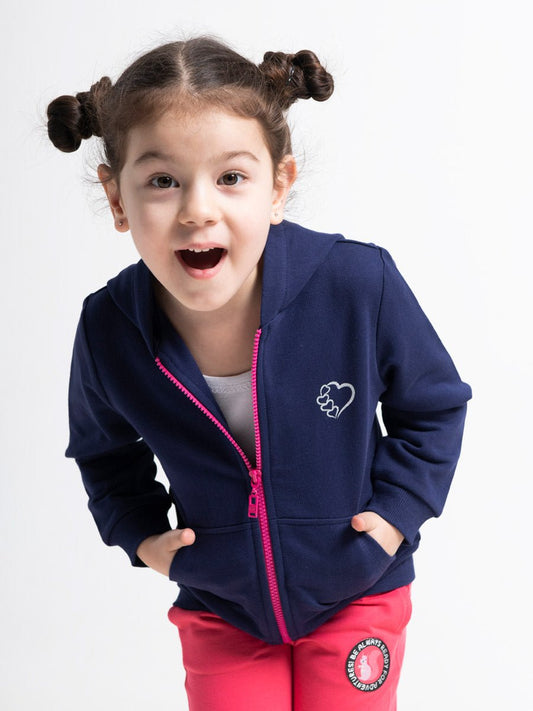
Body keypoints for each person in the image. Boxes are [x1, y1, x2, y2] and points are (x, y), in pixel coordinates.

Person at [47, 36, 471, 711]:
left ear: (278, 185)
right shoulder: (110, 329)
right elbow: (103, 454)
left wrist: (395, 516)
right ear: (116, 196)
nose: (198, 209)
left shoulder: (356, 284)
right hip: (222, 606)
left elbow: (434, 405)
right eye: (162, 181)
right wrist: (144, 537)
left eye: (231, 178)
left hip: (358, 591)